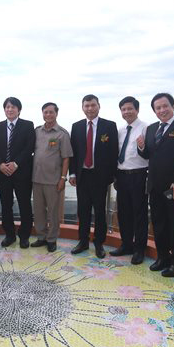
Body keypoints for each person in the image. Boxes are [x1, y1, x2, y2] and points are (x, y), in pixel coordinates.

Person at [137, 93, 174, 277]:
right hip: (154, 185)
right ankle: (162, 258)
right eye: (158, 108)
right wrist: (141, 147)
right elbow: (149, 156)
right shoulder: (152, 128)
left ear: (173, 106)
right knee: (159, 222)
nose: (162, 110)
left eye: (165, 106)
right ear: (154, 111)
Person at [69, 94, 119, 259]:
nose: (90, 108)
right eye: (86, 106)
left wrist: (111, 176)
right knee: (82, 211)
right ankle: (83, 241)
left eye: (93, 105)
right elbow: (73, 154)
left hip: (100, 176)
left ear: (99, 106)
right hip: (82, 176)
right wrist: (73, 173)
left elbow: (113, 152)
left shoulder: (109, 126)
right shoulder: (76, 127)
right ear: (82, 108)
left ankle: (99, 243)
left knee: (99, 211)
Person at [0, 97, 35, 248]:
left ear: (19, 110)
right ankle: (9, 235)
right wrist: (0, 164)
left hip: (22, 173)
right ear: (4, 110)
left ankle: (24, 236)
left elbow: (29, 147)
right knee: (5, 205)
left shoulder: (28, 126)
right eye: (7, 107)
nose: (10, 109)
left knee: (24, 205)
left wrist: (16, 163)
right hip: (3, 174)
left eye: (13, 107)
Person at [109, 96, 149, 264]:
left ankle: (139, 249)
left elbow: (149, 154)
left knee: (139, 214)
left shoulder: (146, 128)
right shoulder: (120, 130)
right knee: (123, 213)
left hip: (139, 175)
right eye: (124, 109)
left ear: (137, 110)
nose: (127, 112)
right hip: (122, 176)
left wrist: (142, 146)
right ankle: (126, 244)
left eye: (130, 109)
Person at [30, 102, 73, 252]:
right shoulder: (36, 132)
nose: (48, 115)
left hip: (53, 180)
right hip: (36, 178)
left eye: (51, 112)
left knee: (53, 211)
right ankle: (41, 237)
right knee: (39, 210)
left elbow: (66, 158)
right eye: (45, 112)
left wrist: (63, 178)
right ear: (42, 114)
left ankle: (52, 239)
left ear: (56, 114)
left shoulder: (62, 134)